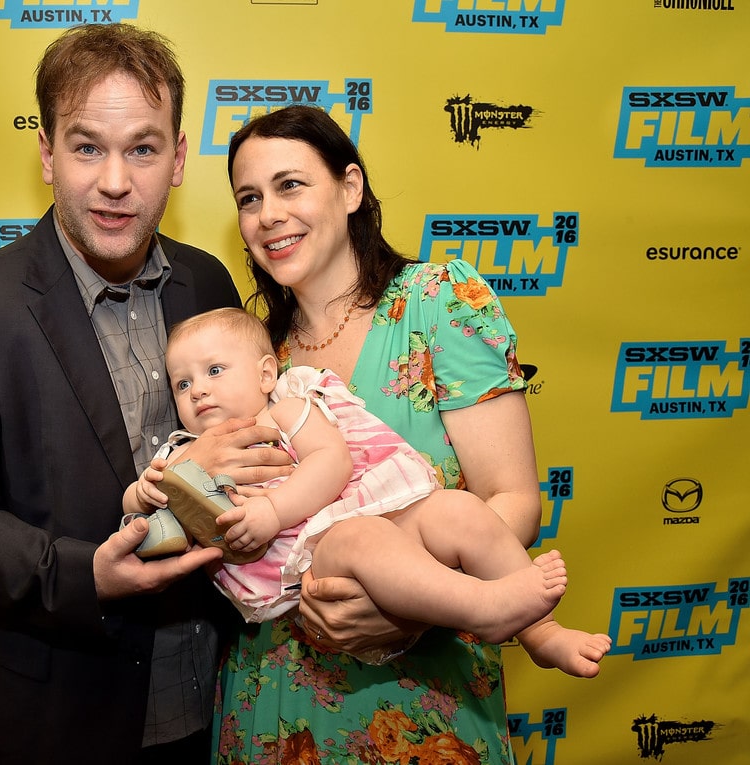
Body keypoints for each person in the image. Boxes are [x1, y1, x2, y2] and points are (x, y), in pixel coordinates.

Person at [0, 23, 294, 764]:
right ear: (47, 154)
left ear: (178, 159)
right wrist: (83, 575)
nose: (115, 181)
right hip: (57, 721)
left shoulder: (207, 283)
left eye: (142, 148)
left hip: (219, 704)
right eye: (86, 147)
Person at [212, 104, 611, 763]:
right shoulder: (254, 360)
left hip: (422, 700)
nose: (268, 215)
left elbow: (514, 500)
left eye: (290, 185)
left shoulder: (438, 301)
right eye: (249, 198)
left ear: (350, 188)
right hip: (273, 699)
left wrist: (408, 604)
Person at [124, 306, 609, 676]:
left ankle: (541, 632)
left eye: (214, 371)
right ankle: (483, 608)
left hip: (365, 515)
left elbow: (332, 462)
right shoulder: (184, 452)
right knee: (358, 538)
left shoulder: (286, 411)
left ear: (266, 374)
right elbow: (138, 511)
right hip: (310, 564)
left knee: (458, 509)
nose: (198, 391)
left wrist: (273, 510)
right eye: (182, 384)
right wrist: (143, 494)